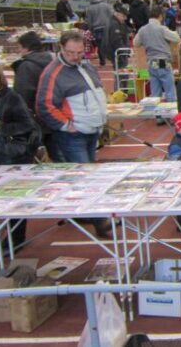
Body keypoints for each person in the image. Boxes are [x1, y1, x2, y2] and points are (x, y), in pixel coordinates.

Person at [36, 31, 110, 237]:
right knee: (85, 177)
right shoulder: (53, 73)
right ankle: (100, 221)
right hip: (73, 134)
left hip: (91, 130)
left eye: (79, 52)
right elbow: (44, 105)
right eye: (70, 52)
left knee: (88, 174)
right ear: (61, 48)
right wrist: (65, 125)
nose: (75, 56)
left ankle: (89, 213)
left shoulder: (86, 65)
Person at [0, 63, 41, 250]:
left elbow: (28, 126)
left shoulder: (11, 98)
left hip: (9, 156)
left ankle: (14, 238)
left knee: (13, 200)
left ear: (0, 80)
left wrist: (0, 128)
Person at [12, 31, 61, 162]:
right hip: (56, 114)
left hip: (37, 117)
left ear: (25, 48)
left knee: (36, 155)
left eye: (19, 47)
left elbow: (22, 95)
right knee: (59, 154)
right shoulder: (53, 60)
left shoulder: (26, 66)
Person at [134, 6, 181, 115]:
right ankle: (172, 115)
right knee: (170, 91)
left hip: (150, 62)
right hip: (163, 61)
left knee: (155, 93)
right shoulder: (161, 29)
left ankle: (158, 116)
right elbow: (176, 38)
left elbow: (136, 43)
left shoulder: (142, 29)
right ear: (160, 16)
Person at [101, 3, 132, 73]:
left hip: (117, 52)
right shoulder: (115, 24)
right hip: (119, 53)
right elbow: (116, 40)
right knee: (122, 74)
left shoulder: (113, 22)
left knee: (120, 74)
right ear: (118, 14)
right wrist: (124, 51)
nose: (125, 18)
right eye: (123, 16)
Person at [85, 0, 113, 66]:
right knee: (108, 43)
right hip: (107, 27)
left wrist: (91, 29)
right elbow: (112, 15)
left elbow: (89, 21)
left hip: (96, 28)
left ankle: (102, 61)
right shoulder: (106, 5)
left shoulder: (89, 8)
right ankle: (111, 58)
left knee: (100, 45)